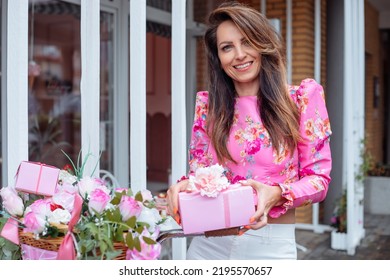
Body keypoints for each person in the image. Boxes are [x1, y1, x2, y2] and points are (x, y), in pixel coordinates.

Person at [167, 1, 332, 260]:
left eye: (247, 42)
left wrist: (278, 193)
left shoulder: (302, 100)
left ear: (262, 44)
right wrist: (184, 187)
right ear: (218, 58)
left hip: (270, 246)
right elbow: (200, 175)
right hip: (208, 245)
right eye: (227, 47)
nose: (239, 54)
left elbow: (319, 181)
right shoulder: (209, 108)